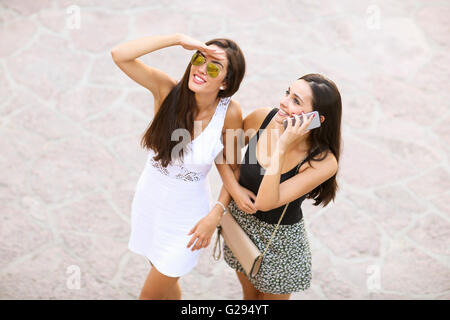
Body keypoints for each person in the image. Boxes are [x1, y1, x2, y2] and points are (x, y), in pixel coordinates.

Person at [111, 33, 246, 300]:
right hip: (149, 205)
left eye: (213, 67)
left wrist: (215, 215)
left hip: (187, 222)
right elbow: (119, 54)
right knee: (165, 282)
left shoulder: (230, 113)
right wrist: (176, 39)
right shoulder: (166, 90)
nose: (200, 69)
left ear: (226, 82)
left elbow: (235, 169)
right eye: (199, 58)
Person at [218, 73, 342, 300]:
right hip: (240, 227)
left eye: (296, 101)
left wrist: (283, 146)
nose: (284, 102)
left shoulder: (322, 161)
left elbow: (266, 202)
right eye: (288, 93)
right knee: (250, 298)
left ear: (316, 119)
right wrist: (234, 190)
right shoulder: (262, 118)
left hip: (280, 244)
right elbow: (224, 153)